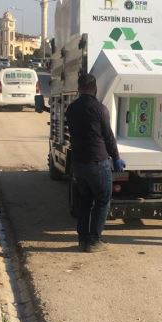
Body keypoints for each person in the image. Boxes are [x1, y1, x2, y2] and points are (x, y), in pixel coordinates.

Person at [65, 74, 125, 253]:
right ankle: (94, 240)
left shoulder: (71, 109)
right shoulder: (100, 109)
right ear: (94, 87)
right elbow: (108, 136)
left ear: (79, 87)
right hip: (97, 161)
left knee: (85, 201)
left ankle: (83, 240)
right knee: (102, 200)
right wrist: (115, 158)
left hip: (79, 162)